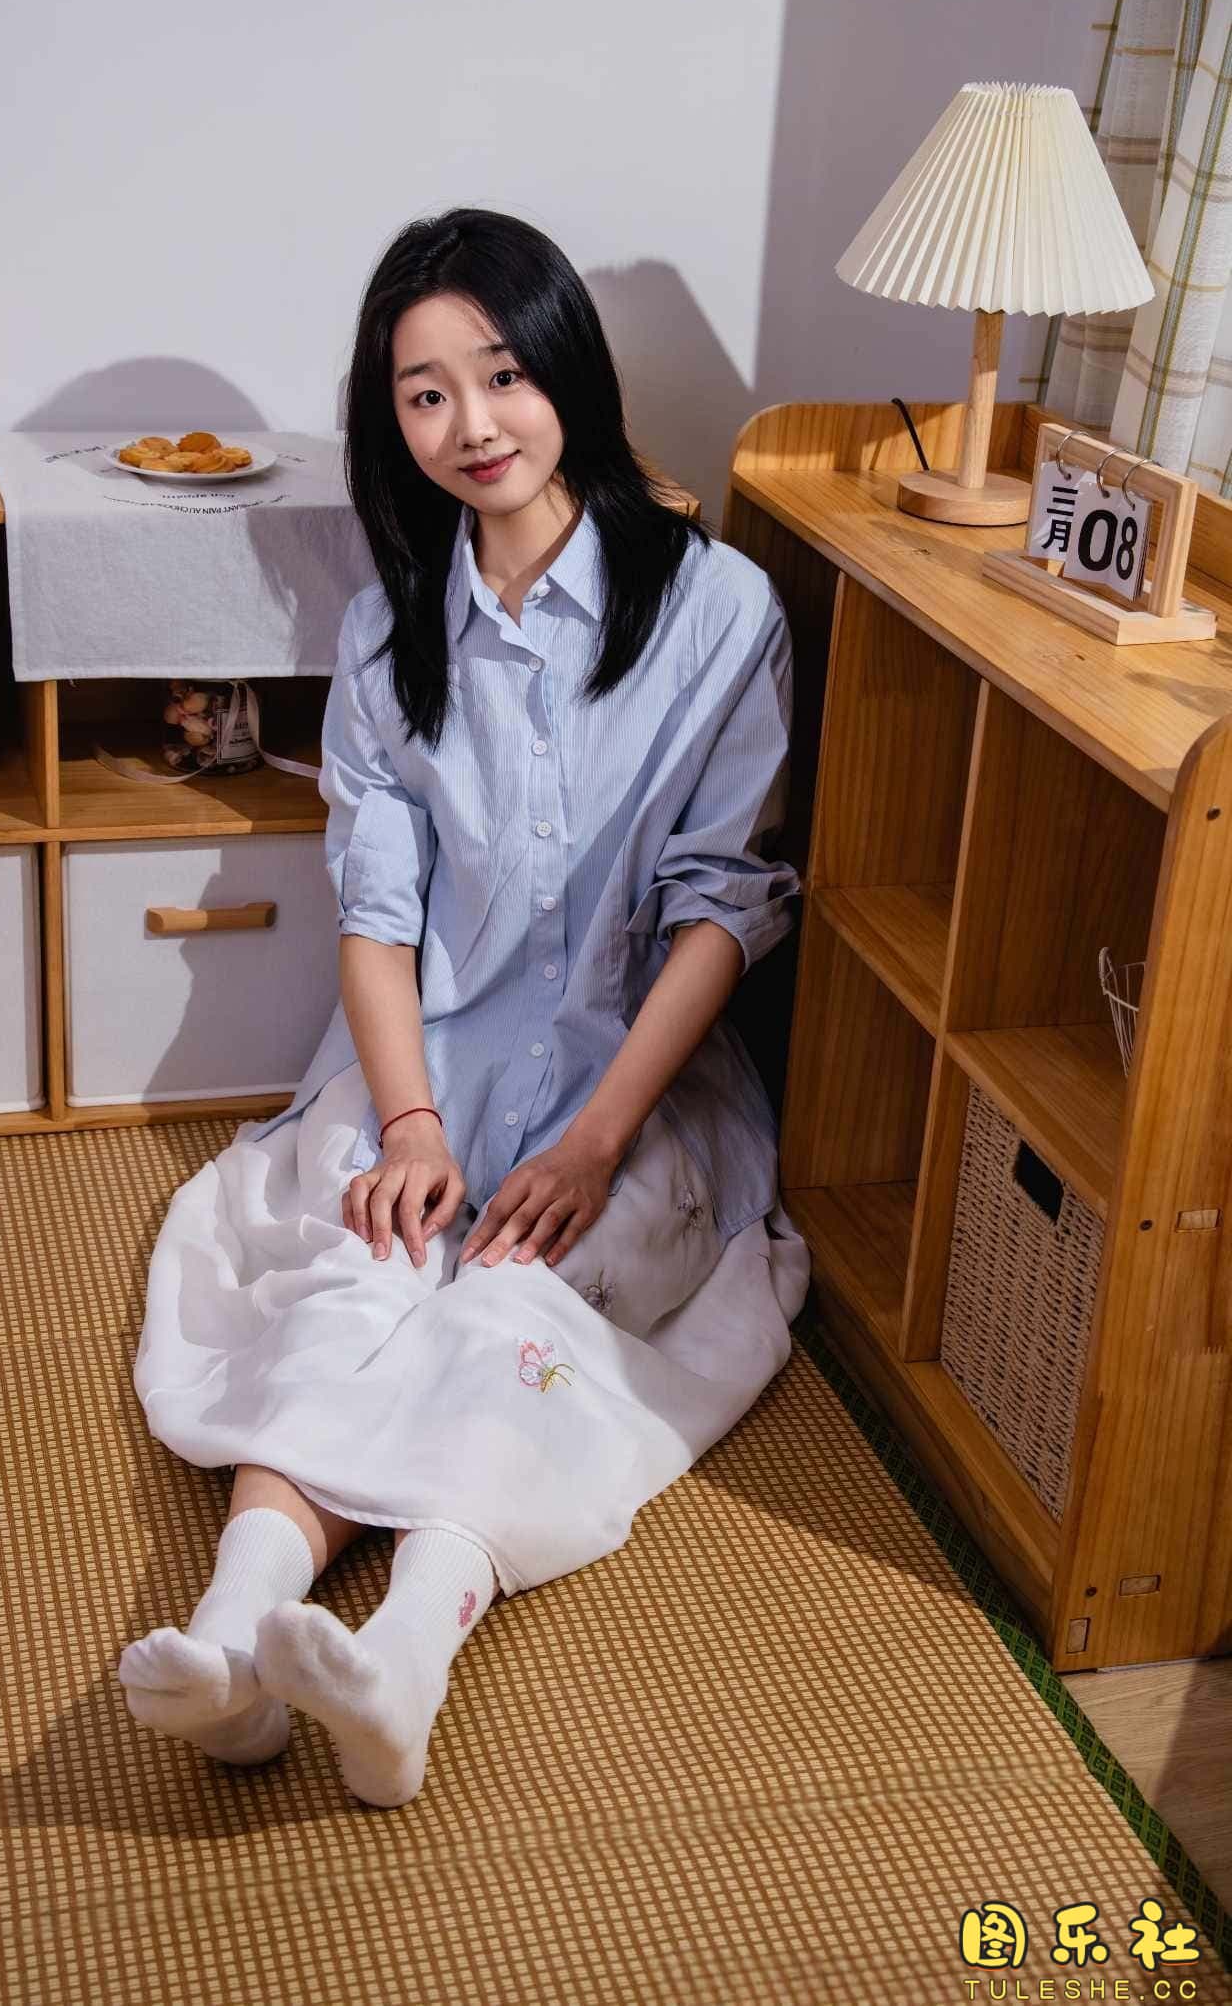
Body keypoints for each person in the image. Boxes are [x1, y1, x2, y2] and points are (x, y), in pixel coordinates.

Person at [118, 207, 810, 1808]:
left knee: (522, 1306)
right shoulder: (389, 633)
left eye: (501, 375)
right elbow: (377, 920)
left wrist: (595, 1141)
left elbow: (722, 908)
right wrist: (414, 1122)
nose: (472, 424)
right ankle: (234, 1644)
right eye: (424, 394)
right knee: (357, 1271)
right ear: (392, 422)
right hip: (425, 1060)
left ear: (566, 370)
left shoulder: (721, 612)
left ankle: (407, 1663)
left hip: (638, 1079)